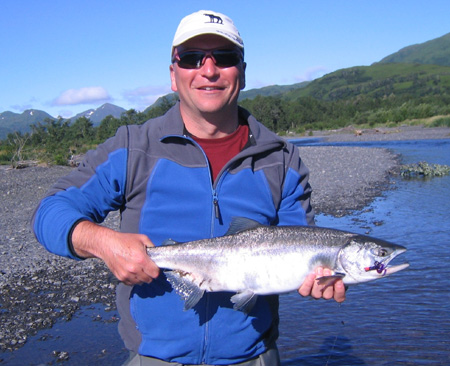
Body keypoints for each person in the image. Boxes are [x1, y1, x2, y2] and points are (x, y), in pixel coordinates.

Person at [32, 10, 345, 366]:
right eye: (193, 58)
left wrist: (322, 276)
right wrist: (103, 243)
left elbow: (302, 241)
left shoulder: (281, 161)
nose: (209, 70)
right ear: (173, 74)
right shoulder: (132, 148)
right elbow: (49, 213)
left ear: (241, 71)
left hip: (253, 358)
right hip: (152, 358)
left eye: (224, 58)